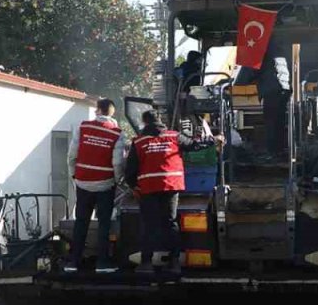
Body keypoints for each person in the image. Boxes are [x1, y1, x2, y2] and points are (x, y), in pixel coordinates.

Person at [124, 110, 222, 275]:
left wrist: (134, 186)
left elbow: (130, 170)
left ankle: (146, 263)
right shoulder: (174, 136)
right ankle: (174, 262)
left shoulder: (139, 142)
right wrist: (214, 139)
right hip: (171, 186)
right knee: (170, 223)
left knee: (149, 225)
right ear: (160, 120)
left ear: (144, 122)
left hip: (148, 188)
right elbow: (194, 145)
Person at [66, 98, 127, 274]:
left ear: (99, 111)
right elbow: (117, 163)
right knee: (104, 224)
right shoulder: (117, 133)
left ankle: (73, 262)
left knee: (81, 222)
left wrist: (74, 174)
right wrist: (117, 180)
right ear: (111, 113)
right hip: (105, 184)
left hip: (83, 182)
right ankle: (102, 263)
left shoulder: (83, 127)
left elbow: (71, 155)